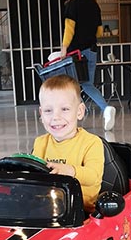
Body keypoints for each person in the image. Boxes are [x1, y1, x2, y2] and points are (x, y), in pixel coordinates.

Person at [32, 74, 105, 213]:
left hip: (81, 211)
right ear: (41, 114)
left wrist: (70, 170)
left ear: (79, 112)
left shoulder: (91, 143)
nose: (56, 117)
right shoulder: (40, 143)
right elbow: (35, 174)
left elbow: (94, 176)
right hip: (46, 206)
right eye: (48, 111)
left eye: (64, 109)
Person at [60, 0, 116, 131]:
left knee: (71, 85)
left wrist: (64, 47)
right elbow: (99, 32)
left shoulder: (73, 4)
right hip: (91, 50)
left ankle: (72, 117)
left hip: (76, 53)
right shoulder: (95, 5)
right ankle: (105, 108)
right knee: (86, 83)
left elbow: (69, 29)